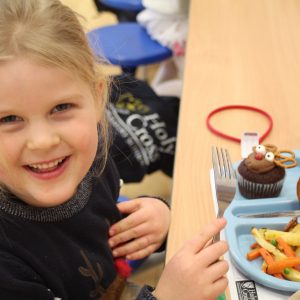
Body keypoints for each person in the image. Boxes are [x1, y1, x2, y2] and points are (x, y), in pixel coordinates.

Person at [0, 1, 229, 299]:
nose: (43, 141)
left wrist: (155, 215)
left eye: (61, 107)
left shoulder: (87, 158)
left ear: (97, 100)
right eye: (9, 119)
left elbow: (100, 221)